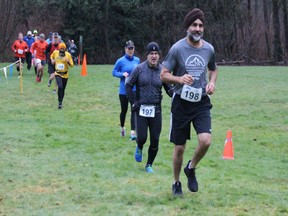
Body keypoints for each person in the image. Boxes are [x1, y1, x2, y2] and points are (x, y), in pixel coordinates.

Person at [160, 8, 218, 196]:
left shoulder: (208, 49)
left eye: (200, 25)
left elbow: (213, 69)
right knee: (179, 147)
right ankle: (176, 183)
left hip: (201, 101)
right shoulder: (177, 49)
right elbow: (164, 75)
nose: (198, 28)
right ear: (188, 27)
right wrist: (179, 79)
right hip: (181, 102)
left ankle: (191, 168)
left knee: (206, 141)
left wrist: (211, 82)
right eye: (194, 25)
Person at [126, 42, 173, 173]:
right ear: (147, 55)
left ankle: (149, 165)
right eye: (151, 54)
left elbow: (169, 89)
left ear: (159, 55)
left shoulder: (163, 71)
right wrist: (133, 102)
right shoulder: (139, 69)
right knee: (141, 137)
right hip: (141, 109)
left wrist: (178, 96)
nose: (154, 56)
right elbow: (128, 85)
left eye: (156, 54)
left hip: (156, 110)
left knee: (155, 139)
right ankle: (139, 146)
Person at [112, 40, 140, 140]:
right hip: (123, 90)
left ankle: (133, 132)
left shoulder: (137, 60)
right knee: (124, 110)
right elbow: (114, 72)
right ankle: (122, 128)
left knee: (134, 110)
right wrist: (122, 74)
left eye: (132, 48)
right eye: (129, 48)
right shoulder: (120, 61)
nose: (130, 50)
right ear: (125, 49)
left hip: (134, 89)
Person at [50, 42, 74, 109]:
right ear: (59, 48)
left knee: (63, 89)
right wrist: (52, 60)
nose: (62, 50)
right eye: (61, 49)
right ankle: (59, 102)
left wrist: (68, 61)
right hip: (58, 73)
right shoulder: (56, 53)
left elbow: (72, 65)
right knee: (60, 87)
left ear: (65, 49)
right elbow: (51, 56)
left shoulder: (68, 55)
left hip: (65, 74)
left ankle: (61, 102)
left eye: (63, 49)